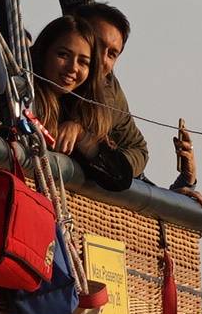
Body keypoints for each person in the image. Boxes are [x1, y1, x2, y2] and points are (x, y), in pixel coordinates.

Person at [26, 15, 149, 189]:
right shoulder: (19, 93)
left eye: (83, 62)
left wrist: (81, 135)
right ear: (44, 51)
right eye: (63, 55)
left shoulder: (81, 108)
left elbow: (119, 176)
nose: (72, 68)